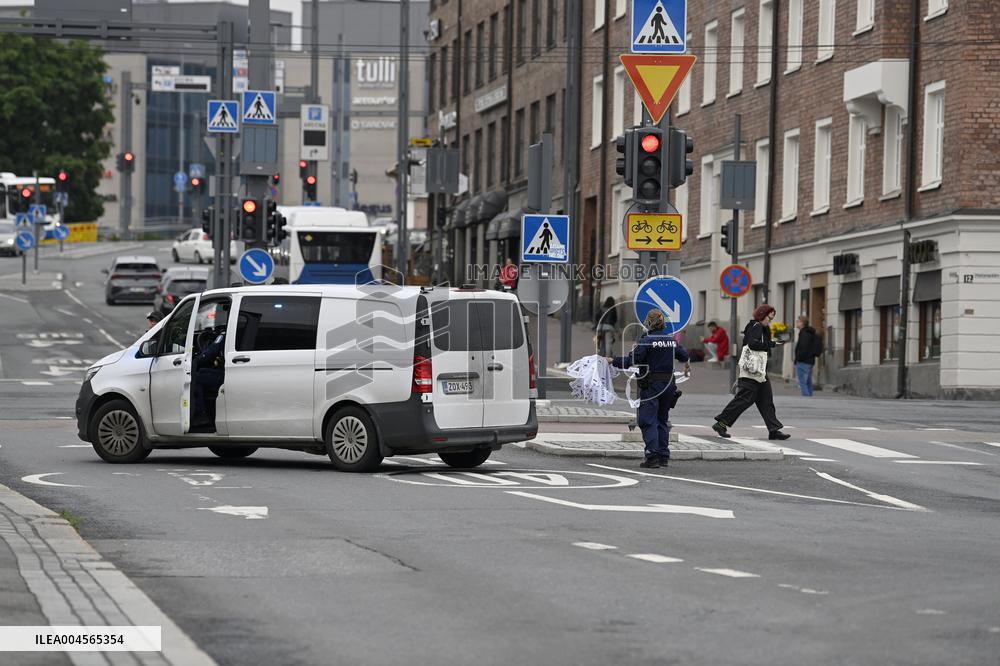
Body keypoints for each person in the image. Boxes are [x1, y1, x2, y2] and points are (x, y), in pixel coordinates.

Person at [608, 309, 691, 469]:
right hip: (669, 385)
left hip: (652, 385)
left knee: (648, 420)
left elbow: (631, 361)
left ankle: (652, 456)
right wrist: (687, 366)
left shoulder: (647, 341)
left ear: (649, 322)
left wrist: (612, 360)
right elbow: (684, 355)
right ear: (663, 323)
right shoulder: (671, 340)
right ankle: (663, 456)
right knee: (662, 419)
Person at [711, 304, 790, 440]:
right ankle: (721, 423)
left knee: (766, 400)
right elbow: (753, 344)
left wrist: (771, 342)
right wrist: (772, 344)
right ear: (762, 315)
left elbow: (757, 343)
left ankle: (774, 430)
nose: (770, 321)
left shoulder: (762, 328)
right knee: (745, 399)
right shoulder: (756, 326)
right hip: (752, 370)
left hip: (759, 370)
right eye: (769, 318)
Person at [794, 315, 823, 396]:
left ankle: (807, 399)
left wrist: (798, 358)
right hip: (809, 361)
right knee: (808, 382)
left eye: (798, 321)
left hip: (803, 361)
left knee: (803, 383)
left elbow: (803, 348)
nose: (796, 323)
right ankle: (810, 398)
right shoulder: (809, 332)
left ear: (802, 323)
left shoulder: (804, 333)